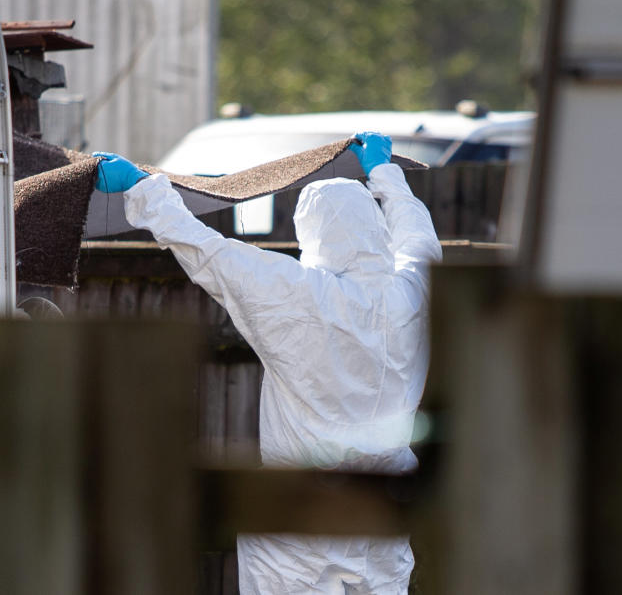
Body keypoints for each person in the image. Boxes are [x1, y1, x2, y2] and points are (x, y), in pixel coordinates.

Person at [93, 132, 442, 594]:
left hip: (295, 516)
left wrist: (141, 185)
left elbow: (208, 252)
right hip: (384, 508)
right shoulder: (411, 290)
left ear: (311, 234)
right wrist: (383, 171)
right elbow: (419, 235)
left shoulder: (300, 294)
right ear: (373, 228)